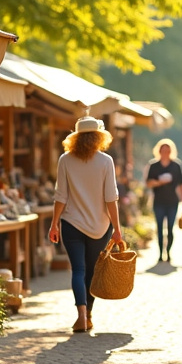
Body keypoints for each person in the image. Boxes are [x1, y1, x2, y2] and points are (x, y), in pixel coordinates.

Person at [48, 117, 123, 333]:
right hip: (100, 225)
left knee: (78, 270)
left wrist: (54, 224)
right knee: (91, 271)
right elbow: (111, 198)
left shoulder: (65, 159)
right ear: (99, 137)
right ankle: (88, 314)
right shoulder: (106, 161)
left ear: (76, 138)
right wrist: (117, 229)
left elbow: (60, 196)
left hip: (71, 223)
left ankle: (81, 315)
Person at [145, 138, 182, 263]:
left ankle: (168, 252)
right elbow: (148, 183)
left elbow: (181, 185)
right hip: (158, 202)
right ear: (159, 151)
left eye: (168, 150)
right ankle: (159, 253)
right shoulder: (153, 165)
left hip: (173, 202)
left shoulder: (176, 165)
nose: (165, 153)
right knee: (159, 228)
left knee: (170, 228)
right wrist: (159, 182)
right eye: (163, 150)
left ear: (171, 151)